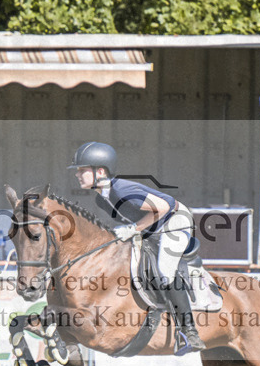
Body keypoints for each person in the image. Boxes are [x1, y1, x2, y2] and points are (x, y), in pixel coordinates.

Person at [68, 141, 206, 351]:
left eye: (82, 170)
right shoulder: (101, 200)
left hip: (174, 220)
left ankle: (190, 333)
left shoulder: (122, 189)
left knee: (165, 272)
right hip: (151, 226)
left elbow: (163, 208)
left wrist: (134, 229)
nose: (78, 175)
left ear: (101, 171)